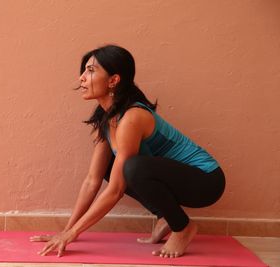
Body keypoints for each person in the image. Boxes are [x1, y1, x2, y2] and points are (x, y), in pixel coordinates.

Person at [30, 44, 225, 258]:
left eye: (91, 70)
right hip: (179, 178)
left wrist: (73, 233)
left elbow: (116, 189)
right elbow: (92, 180)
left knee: (132, 168)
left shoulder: (132, 117)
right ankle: (166, 217)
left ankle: (182, 228)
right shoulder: (106, 118)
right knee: (112, 167)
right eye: (84, 70)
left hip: (206, 180)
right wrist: (67, 231)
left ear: (113, 80)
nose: (82, 78)